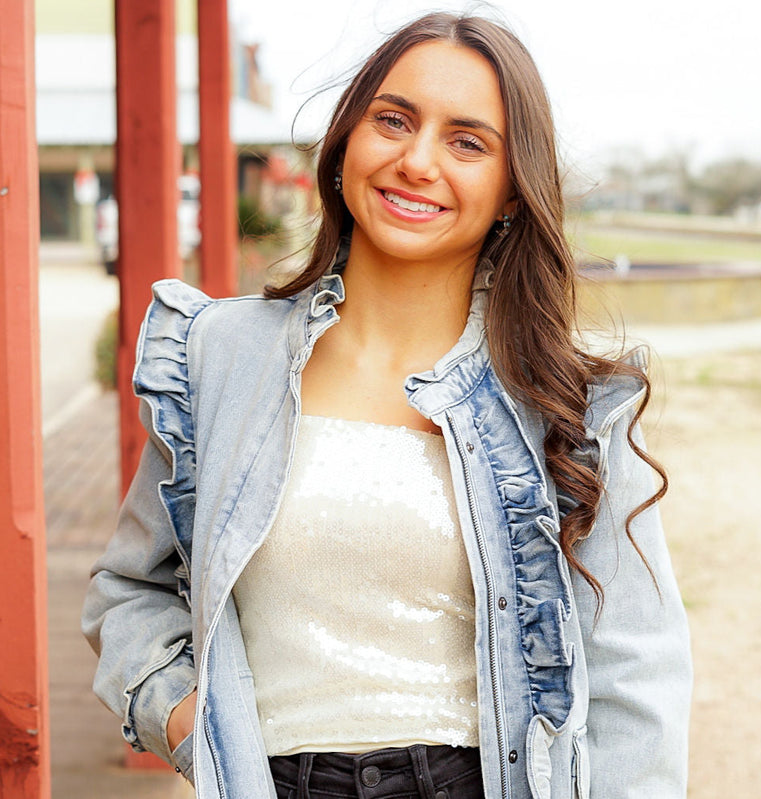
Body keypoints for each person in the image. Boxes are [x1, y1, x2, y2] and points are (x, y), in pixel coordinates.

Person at [82, 11, 692, 799]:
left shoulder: (567, 404)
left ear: (511, 191)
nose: (417, 161)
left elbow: (635, 680)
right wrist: (190, 721)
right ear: (344, 147)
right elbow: (130, 588)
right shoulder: (218, 354)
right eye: (394, 120)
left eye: (466, 141)